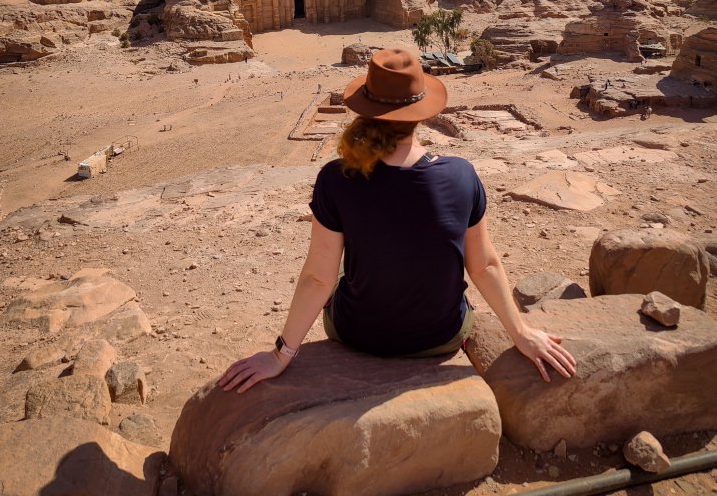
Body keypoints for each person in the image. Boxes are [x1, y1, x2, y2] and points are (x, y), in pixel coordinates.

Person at [219, 48, 576, 394]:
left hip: (358, 333)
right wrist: (521, 333)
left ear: (367, 108)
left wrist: (281, 354)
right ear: (420, 111)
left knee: (342, 268)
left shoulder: (336, 178)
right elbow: (483, 265)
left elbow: (318, 278)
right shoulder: (461, 175)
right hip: (442, 336)